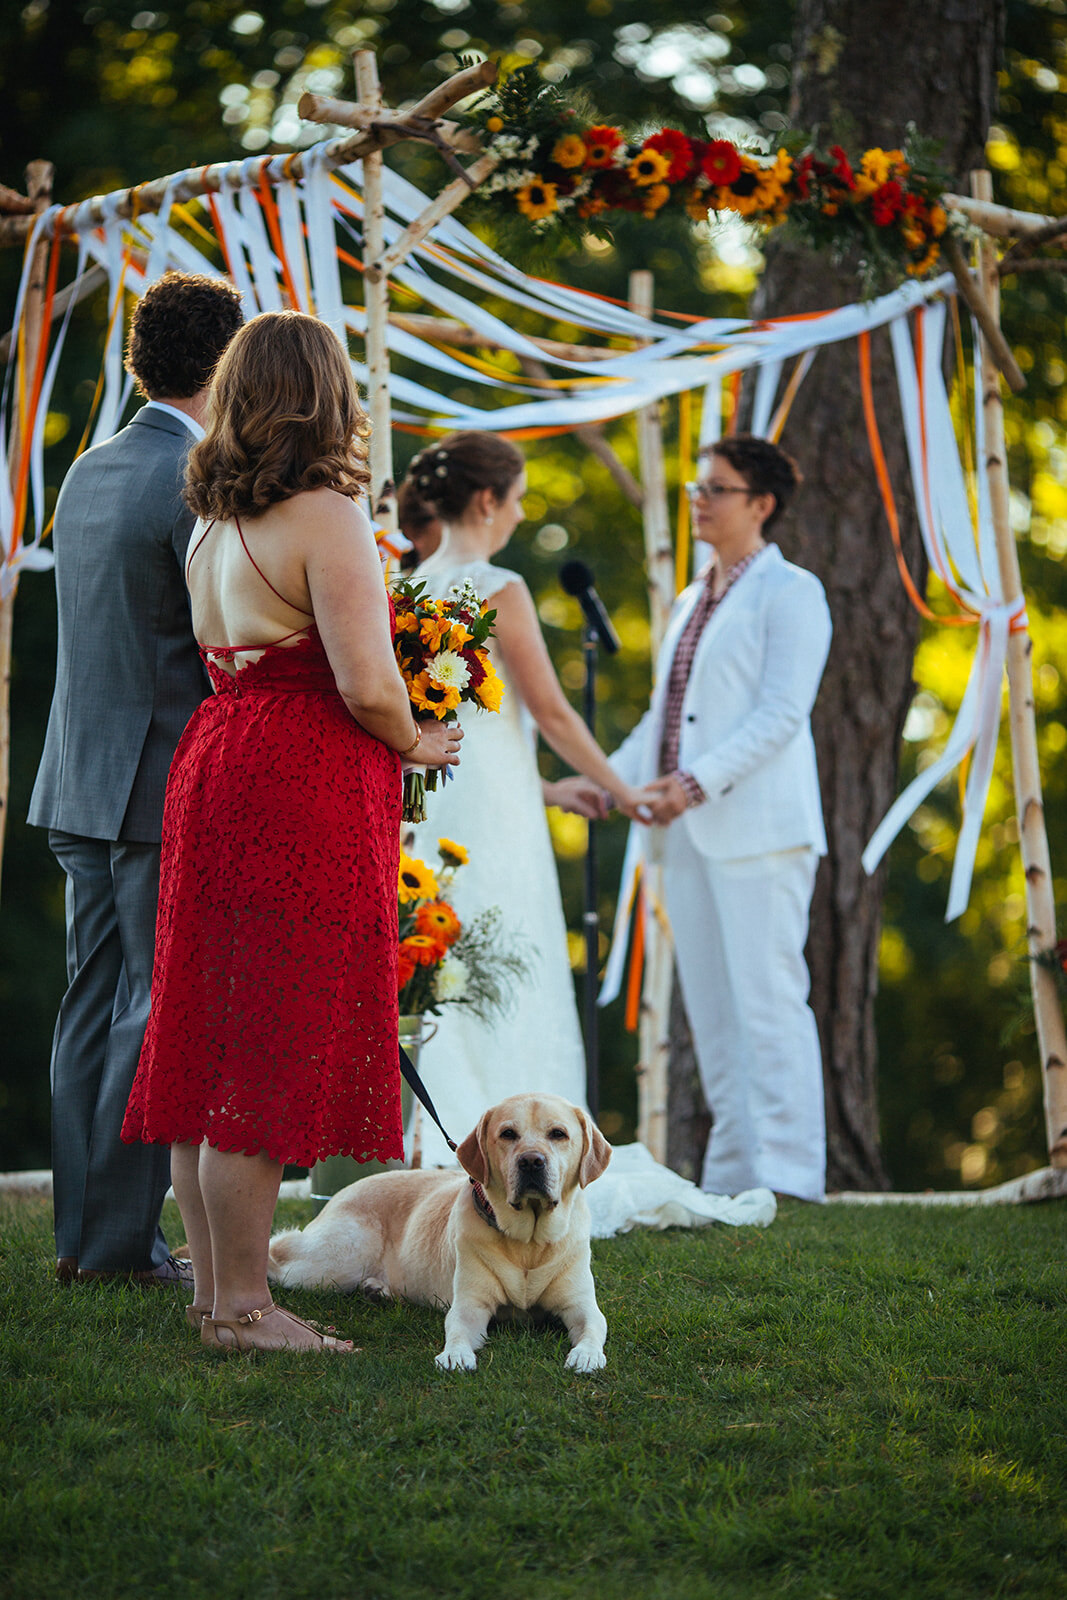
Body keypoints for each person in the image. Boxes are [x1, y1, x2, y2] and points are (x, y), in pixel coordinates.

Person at [121, 311, 461, 1352]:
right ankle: (244, 1311)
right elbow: (364, 683)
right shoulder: (324, 514)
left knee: (205, 1046)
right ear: (327, 397)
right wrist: (419, 739)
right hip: (294, 782)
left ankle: (214, 1293)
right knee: (263, 1048)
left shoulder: (213, 520)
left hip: (218, 759)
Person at [28, 271, 244, 1286]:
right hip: (157, 782)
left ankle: (85, 1236)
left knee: (91, 1006)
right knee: (147, 1013)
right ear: (226, 364)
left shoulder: (89, 468)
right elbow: (221, 636)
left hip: (77, 772)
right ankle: (118, 1248)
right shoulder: (196, 475)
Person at [401, 431, 649, 1165]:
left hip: (435, 808)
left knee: (444, 959)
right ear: (487, 499)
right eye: (516, 499)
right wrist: (624, 792)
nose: (516, 514)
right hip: (494, 826)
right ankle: (534, 1150)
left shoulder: (407, 587)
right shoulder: (496, 586)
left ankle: (441, 1142)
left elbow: (463, 736)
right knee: (507, 956)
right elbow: (552, 714)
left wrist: (546, 788)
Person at [609, 434, 832, 1202]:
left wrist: (691, 785)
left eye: (717, 489)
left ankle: (792, 1177)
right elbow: (665, 718)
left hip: (759, 831)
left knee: (768, 1001)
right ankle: (735, 1179)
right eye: (696, 487)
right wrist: (609, 781)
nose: (698, 500)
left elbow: (779, 716)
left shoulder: (791, 592)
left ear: (761, 504)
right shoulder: (686, 599)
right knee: (711, 1009)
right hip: (683, 835)